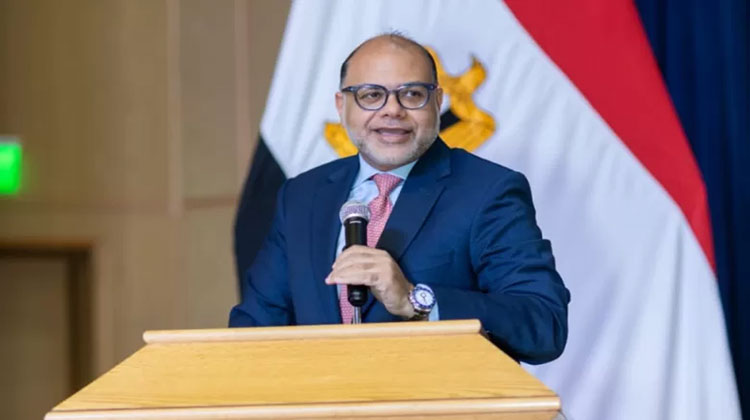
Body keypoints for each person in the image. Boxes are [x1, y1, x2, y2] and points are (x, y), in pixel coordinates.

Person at [229, 33, 570, 364]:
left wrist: (414, 300)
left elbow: (544, 323)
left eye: (412, 94)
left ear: (438, 102)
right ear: (341, 106)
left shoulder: (488, 190)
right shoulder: (302, 195)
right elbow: (256, 328)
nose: (392, 110)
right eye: (371, 95)